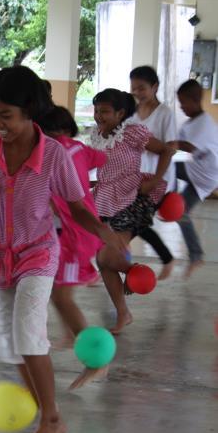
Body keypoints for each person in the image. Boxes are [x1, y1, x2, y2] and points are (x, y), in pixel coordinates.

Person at [0, 66, 124, 433]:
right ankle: (53, 418)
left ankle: (49, 417)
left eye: (6, 115)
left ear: (30, 111)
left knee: (29, 336)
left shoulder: (54, 156)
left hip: (38, 254)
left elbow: (78, 207)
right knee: (13, 349)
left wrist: (102, 232)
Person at [90, 89, 174, 334]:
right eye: (96, 111)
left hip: (133, 199)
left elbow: (166, 150)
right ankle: (123, 312)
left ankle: (134, 273)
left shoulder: (132, 133)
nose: (98, 116)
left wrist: (154, 180)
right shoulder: (97, 135)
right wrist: (97, 183)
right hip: (106, 200)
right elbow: (106, 169)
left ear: (121, 113)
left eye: (104, 111)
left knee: (106, 258)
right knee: (105, 261)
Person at [37, 105, 108, 388]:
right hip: (85, 230)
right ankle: (70, 334)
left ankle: (97, 362)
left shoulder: (51, 153)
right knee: (58, 291)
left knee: (62, 297)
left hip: (74, 236)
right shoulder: (79, 148)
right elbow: (103, 158)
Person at [130, 65, 176, 279]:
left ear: (154, 87)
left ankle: (112, 259)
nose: (137, 93)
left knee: (132, 223)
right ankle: (165, 258)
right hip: (134, 177)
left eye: (142, 88)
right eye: (134, 89)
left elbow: (171, 147)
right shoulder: (131, 114)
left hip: (156, 179)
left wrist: (155, 181)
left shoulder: (165, 114)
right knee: (132, 223)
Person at [174, 79, 218, 278]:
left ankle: (164, 197)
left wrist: (167, 143)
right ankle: (196, 255)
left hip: (205, 174)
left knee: (166, 167)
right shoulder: (191, 122)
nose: (182, 107)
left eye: (184, 102)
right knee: (181, 214)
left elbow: (189, 147)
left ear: (195, 100)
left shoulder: (205, 123)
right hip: (198, 173)